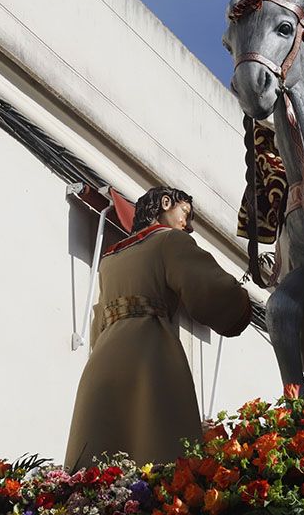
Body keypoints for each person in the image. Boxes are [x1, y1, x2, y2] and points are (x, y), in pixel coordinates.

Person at [65, 187, 252, 469]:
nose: (187, 226)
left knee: (101, 458)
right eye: (185, 214)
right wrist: (239, 302)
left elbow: (99, 320)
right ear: (166, 203)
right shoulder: (169, 242)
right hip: (149, 351)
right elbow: (208, 291)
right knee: (157, 448)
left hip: (103, 361)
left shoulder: (110, 258)